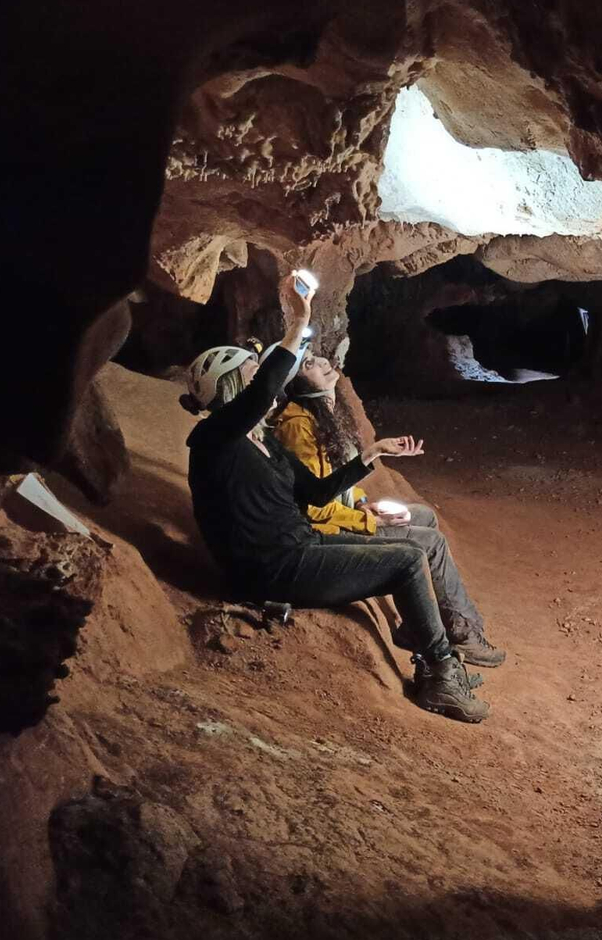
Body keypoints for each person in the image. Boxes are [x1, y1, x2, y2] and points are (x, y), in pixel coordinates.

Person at [180, 272, 488, 723]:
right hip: (272, 570)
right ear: (232, 390)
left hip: (301, 547)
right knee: (404, 560)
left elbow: (318, 491)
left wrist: (370, 454)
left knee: (414, 545)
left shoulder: (265, 442)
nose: (268, 384)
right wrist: (298, 321)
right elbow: (266, 387)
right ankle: (441, 672)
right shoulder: (214, 440)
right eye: (250, 374)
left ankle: (440, 654)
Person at [268, 349, 506, 669]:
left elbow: (337, 480)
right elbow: (313, 505)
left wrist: (364, 501)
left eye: (318, 357)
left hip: (343, 515)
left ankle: (415, 623)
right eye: (309, 364)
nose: (323, 363)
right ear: (295, 381)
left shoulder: (320, 414)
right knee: (430, 543)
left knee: (424, 515)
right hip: (324, 531)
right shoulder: (298, 426)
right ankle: (464, 634)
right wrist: (365, 519)